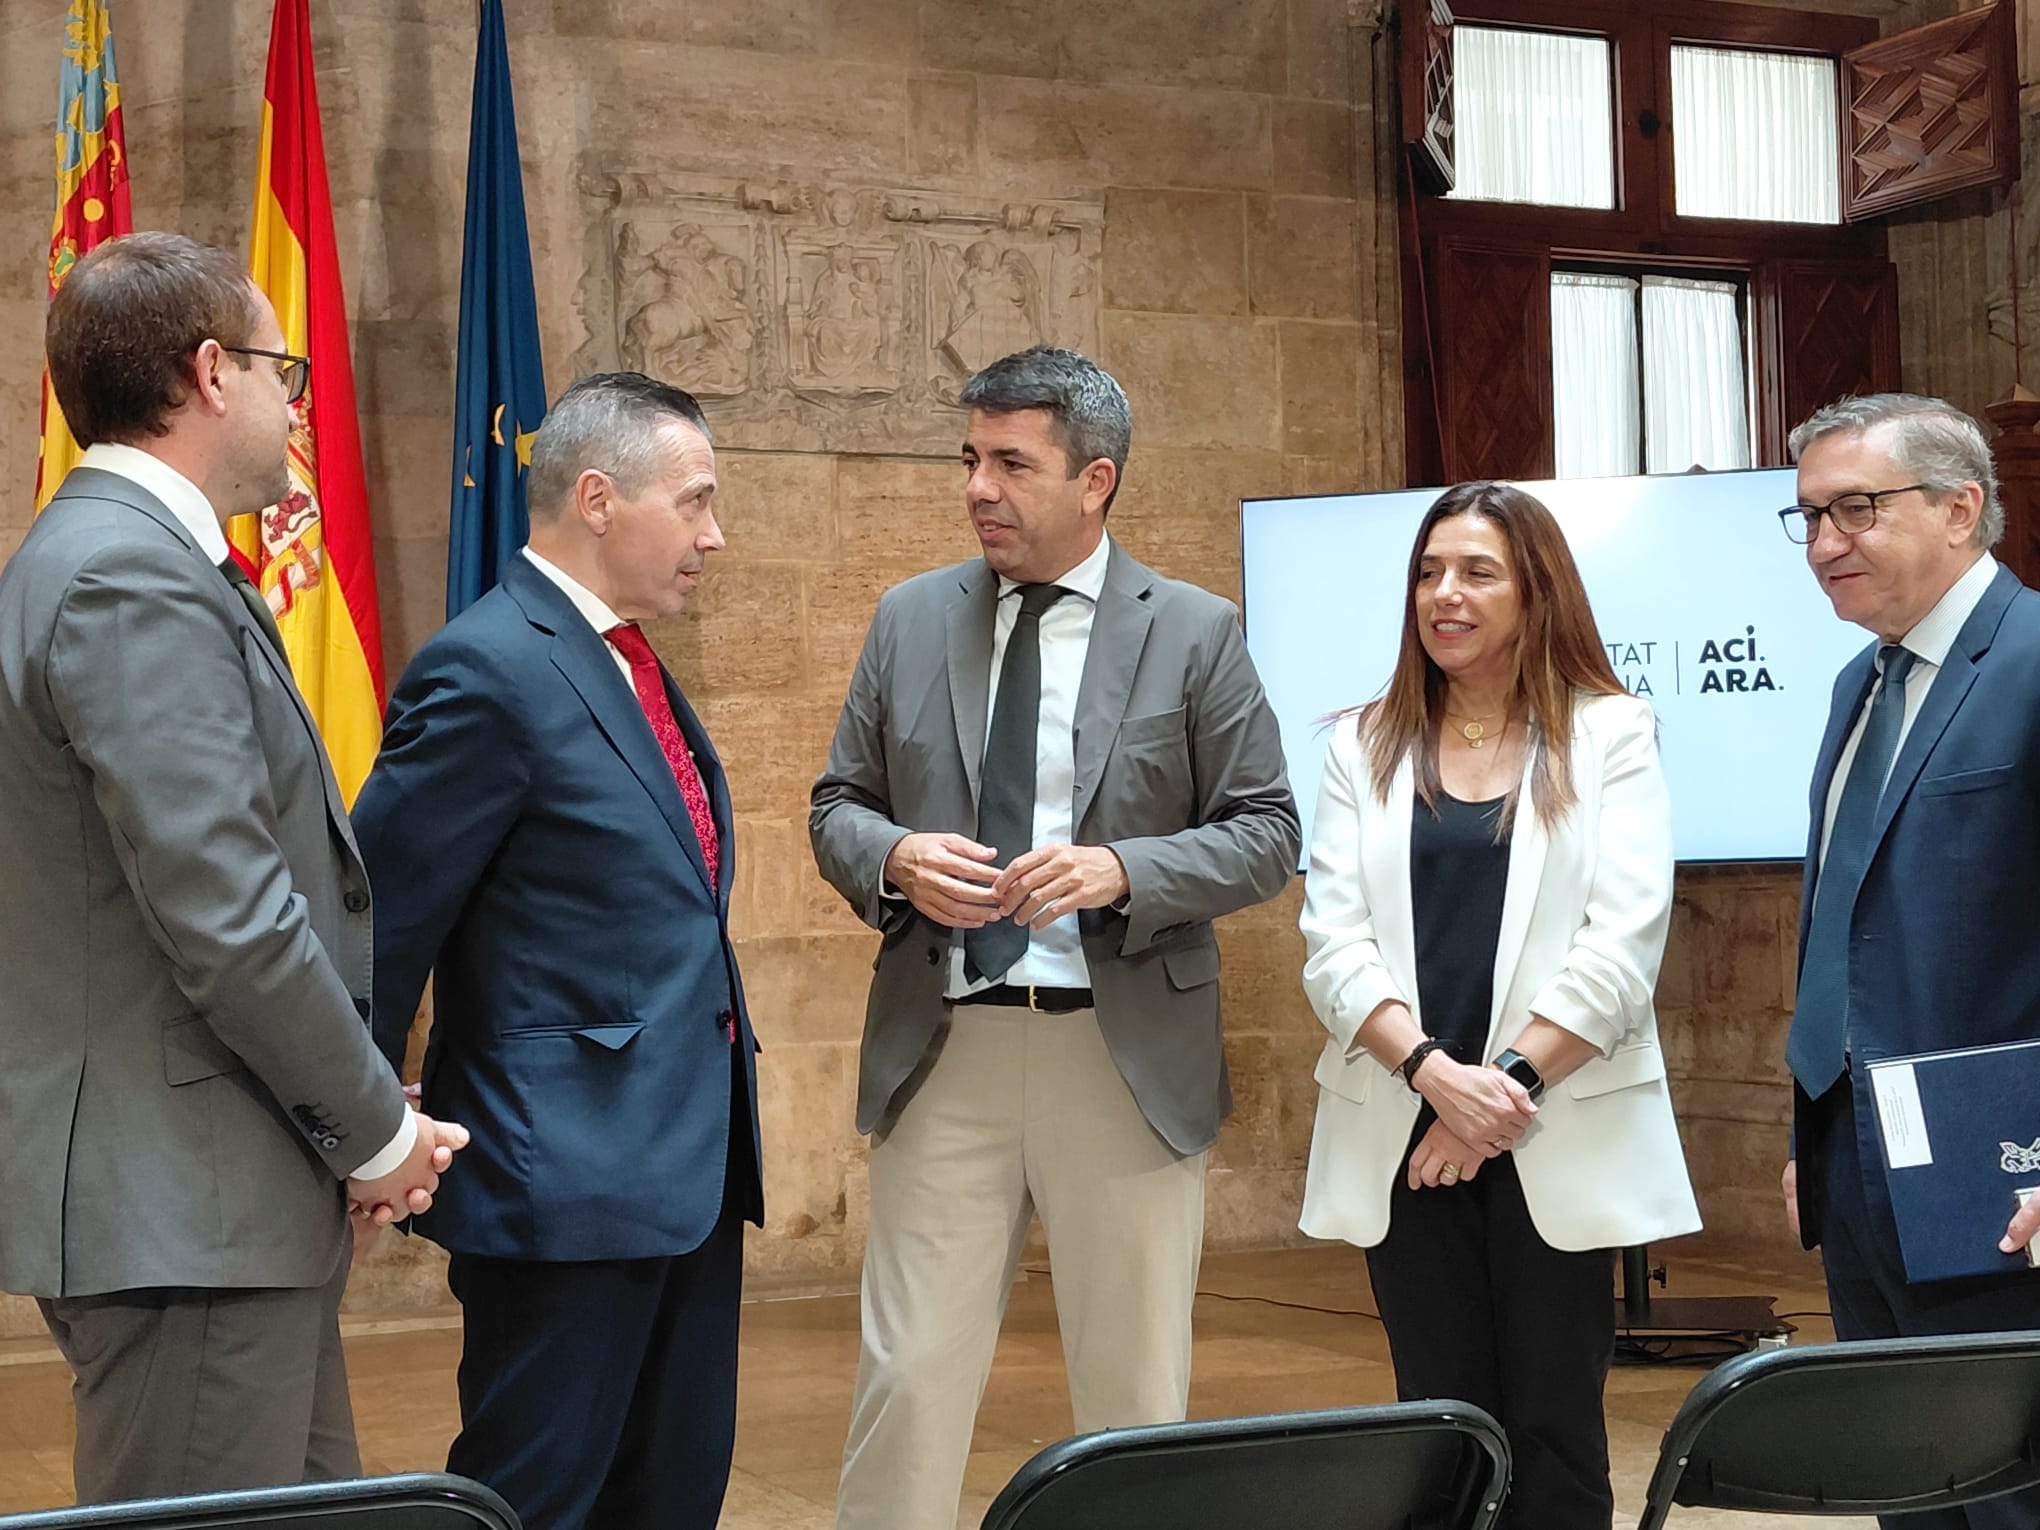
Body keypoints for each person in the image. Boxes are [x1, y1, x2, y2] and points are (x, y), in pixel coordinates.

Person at [0, 230, 465, 1502]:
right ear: (211, 373)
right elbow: (229, 917)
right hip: (183, 1211)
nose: (293, 401)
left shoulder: (122, 559)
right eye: (283, 369)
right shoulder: (125, 578)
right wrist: (374, 1133)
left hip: (221, 1205)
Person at [811, 344, 1300, 1530]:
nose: (980, 486)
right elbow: (838, 805)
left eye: (1012, 463)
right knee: (908, 1380)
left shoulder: (1194, 631)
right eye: (972, 458)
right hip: (945, 1048)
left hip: (1121, 1055)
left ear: (1097, 481)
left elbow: (1269, 831)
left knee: (1134, 1397)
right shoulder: (910, 617)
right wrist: (892, 857)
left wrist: (1126, 868)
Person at [351, 373, 763, 1530]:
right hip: (563, 1182)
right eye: (693, 502)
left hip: (687, 1169)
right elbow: (380, 921)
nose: (712, 535)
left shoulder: (628, 660)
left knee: (671, 1489)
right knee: (539, 1500)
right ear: (595, 497)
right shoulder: (488, 667)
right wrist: (358, 1120)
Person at [1297, 481, 1699, 1530]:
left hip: (1550, 1123)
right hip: (1406, 1128)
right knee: (1438, 1430)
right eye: (1430, 573)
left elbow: (1622, 946)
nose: (1445, 594)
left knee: (1555, 1431)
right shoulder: (1360, 744)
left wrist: (1499, 1096)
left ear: (1536, 591)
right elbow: (1332, 948)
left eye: (1477, 572)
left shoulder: (1611, 734)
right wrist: (1435, 1076)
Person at [1779, 393, 2040, 1530]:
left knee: (2011, 1490)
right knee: (1915, 1490)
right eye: (1809, 519)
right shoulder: (1859, 685)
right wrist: (1819, 1128)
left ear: (1960, 509)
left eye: (1856, 510)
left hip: (2005, 1170)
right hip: (1862, 1167)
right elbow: (1851, 923)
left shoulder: (2032, 662)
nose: (1826, 544)